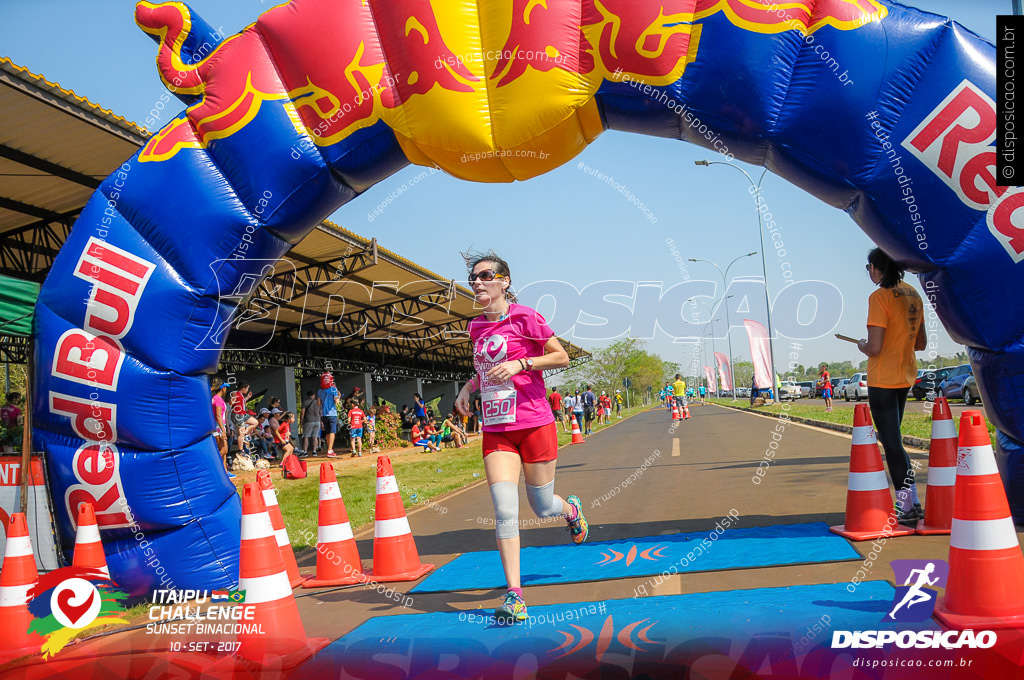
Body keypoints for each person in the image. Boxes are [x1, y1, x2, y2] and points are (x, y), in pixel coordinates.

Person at [454, 251, 588, 623]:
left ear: (504, 281)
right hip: (497, 430)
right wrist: (467, 389)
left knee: (542, 506)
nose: (478, 283)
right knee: (504, 509)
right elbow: (485, 371)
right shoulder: (475, 327)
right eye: (473, 279)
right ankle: (515, 594)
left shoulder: (525, 317)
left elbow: (561, 357)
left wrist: (522, 363)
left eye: (485, 276)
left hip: (534, 423)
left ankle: (572, 511)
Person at [857, 247, 926, 523]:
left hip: (883, 378)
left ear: (877, 267)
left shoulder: (879, 297)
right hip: (905, 376)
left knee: (892, 444)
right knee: (894, 441)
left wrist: (862, 345)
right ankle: (914, 502)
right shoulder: (913, 294)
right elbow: (920, 343)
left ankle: (907, 507)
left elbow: (874, 347)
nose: (868, 272)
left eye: (868, 267)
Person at [318, 372, 341, 457]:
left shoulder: (320, 390)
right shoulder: (333, 389)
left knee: (327, 432)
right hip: (332, 413)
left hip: (324, 414)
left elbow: (318, 403)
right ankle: (330, 450)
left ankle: (329, 449)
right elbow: (336, 402)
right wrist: (338, 396)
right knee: (332, 432)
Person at [211, 381, 230, 474]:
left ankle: (224, 472)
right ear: (223, 388)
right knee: (223, 450)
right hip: (219, 426)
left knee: (222, 450)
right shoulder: (218, 399)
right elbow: (218, 415)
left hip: (218, 426)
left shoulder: (215, 398)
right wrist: (223, 430)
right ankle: (213, 468)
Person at [300, 390, 322, 456]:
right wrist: (321, 421)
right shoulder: (318, 402)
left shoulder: (305, 402)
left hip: (308, 421)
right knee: (315, 437)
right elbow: (320, 413)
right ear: (313, 395)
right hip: (317, 420)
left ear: (308, 396)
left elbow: (303, 412)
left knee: (306, 437)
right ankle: (314, 451)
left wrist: (301, 421)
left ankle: (305, 452)